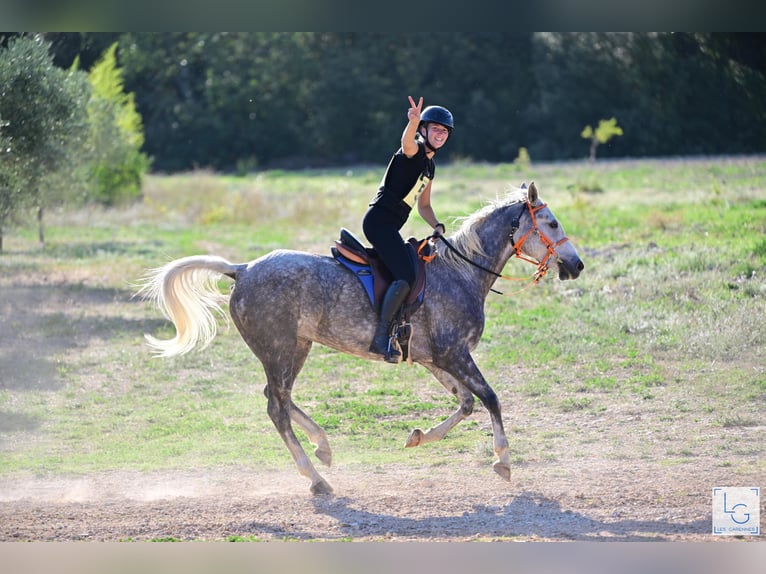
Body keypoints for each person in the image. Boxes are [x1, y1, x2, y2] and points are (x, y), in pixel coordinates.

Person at [363, 96, 453, 362]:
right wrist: (412, 122)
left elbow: (424, 205)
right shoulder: (412, 153)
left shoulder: (430, 166)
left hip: (390, 226)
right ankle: (380, 338)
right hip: (379, 222)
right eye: (435, 128)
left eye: (445, 131)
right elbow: (406, 143)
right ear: (423, 130)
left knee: (409, 267)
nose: (441, 134)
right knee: (405, 274)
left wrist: (436, 225)